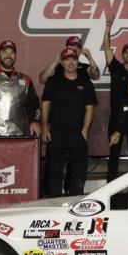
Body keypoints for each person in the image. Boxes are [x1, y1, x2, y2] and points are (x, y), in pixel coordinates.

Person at [40, 47, 97, 196]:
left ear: (77, 62)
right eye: (67, 59)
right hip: (56, 132)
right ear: (62, 62)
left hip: (78, 133)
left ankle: (75, 204)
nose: (71, 62)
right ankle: (53, 205)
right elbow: (45, 104)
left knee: (78, 174)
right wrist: (45, 128)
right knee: (54, 173)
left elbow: (90, 108)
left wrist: (84, 131)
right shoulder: (53, 81)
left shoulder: (85, 82)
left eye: (74, 59)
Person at [101, 16, 128, 181]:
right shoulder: (116, 68)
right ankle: (110, 191)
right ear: (123, 54)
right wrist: (108, 28)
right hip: (117, 117)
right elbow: (107, 48)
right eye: (127, 52)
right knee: (114, 154)